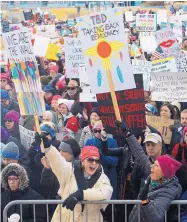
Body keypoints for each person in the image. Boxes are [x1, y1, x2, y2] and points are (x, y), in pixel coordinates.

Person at [34, 132, 113, 222]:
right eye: (90, 160)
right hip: (64, 218)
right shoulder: (70, 170)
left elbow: (106, 192)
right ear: (82, 161)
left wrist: (81, 194)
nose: (94, 163)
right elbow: (58, 162)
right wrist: (48, 148)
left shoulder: (102, 178)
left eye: (97, 160)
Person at [129, 155, 182, 222]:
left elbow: (157, 218)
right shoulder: (151, 180)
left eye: (156, 165)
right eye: (153, 163)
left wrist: (145, 201)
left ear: (164, 173)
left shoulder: (167, 191)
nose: (152, 166)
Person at [40, 138, 81, 218]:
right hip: (56, 204)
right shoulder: (55, 163)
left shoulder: (80, 169)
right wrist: (47, 169)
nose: (61, 153)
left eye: (64, 151)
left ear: (72, 153)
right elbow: (45, 185)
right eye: (60, 150)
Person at [85, 121, 118, 199]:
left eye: (99, 130)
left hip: (109, 176)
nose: (97, 132)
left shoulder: (112, 142)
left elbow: (115, 161)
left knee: (109, 203)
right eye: (95, 130)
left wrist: (103, 157)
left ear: (103, 130)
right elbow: (84, 160)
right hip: (92, 176)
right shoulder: (89, 142)